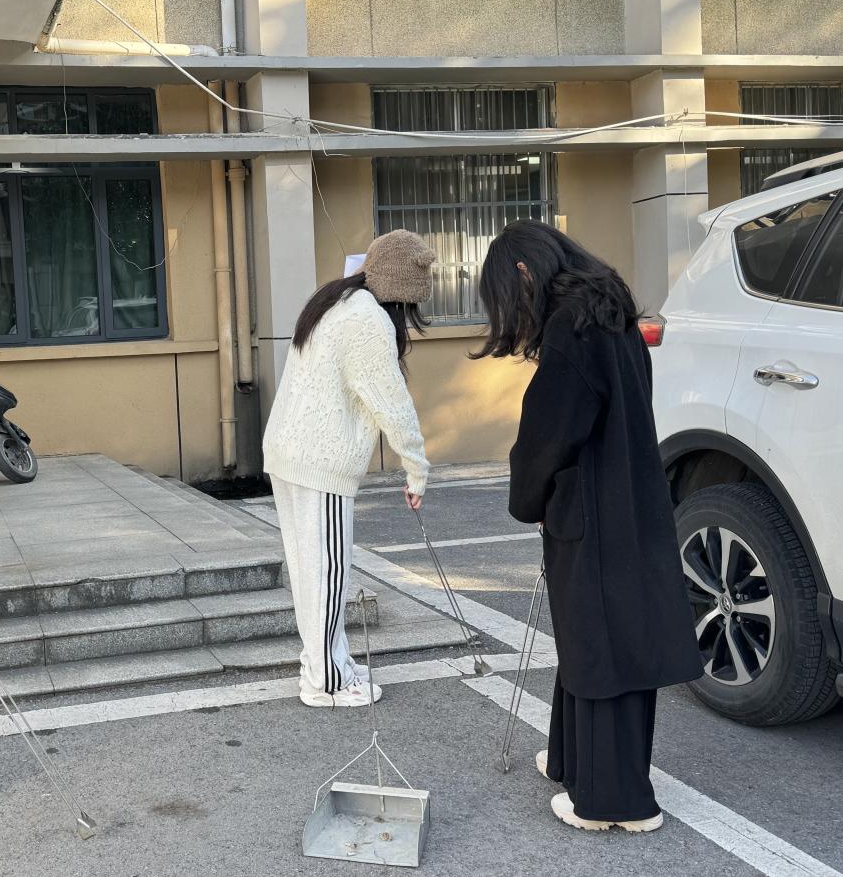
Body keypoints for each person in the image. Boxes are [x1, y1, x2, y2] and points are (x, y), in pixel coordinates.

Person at [473, 219, 702, 832]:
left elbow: (547, 435)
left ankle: (614, 803)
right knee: (599, 638)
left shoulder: (570, 330)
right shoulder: (610, 314)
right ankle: (574, 761)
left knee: (601, 645)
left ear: (524, 272)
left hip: (591, 511)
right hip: (630, 499)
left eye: (507, 295)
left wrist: (527, 498)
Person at [263, 230, 435, 708]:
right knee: (328, 573)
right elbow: (391, 403)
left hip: (290, 454)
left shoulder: (334, 302)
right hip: (320, 463)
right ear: (402, 293)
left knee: (310, 572)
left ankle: (324, 663)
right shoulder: (368, 319)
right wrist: (416, 469)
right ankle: (328, 682)